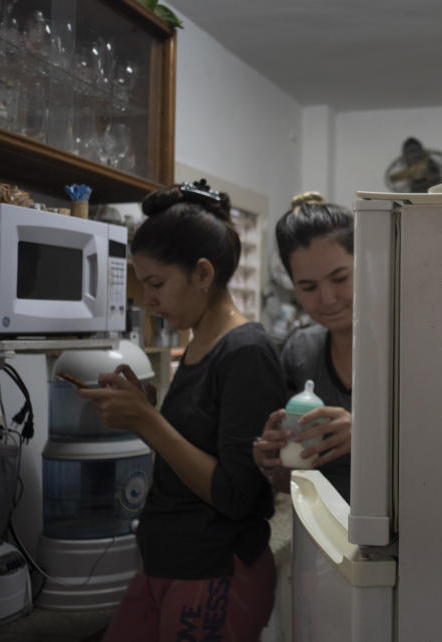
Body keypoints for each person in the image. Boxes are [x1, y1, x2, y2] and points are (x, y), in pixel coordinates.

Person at [78, 180, 285, 641]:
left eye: (157, 283)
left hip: (215, 568)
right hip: (167, 563)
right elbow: (198, 445)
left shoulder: (246, 351)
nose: (149, 300)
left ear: (203, 275)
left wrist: (146, 422)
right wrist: (146, 408)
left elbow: (235, 493)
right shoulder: (199, 345)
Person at [252, 192, 353, 500]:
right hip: (320, 534)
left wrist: (371, 436)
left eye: (340, 278)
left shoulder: (408, 347)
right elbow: (291, 480)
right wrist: (271, 460)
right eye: (308, 287)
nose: (327, 298)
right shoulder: (301, 351)